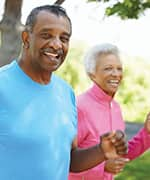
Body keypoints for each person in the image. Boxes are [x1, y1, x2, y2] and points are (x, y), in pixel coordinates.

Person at [0, 5, 128, 180]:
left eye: (64, 38)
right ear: (26, 37)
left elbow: (69, 160)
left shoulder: (66, 92)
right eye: (46, 35)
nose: (56, 44)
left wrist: (101, 151)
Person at [69, 43, 150, 180]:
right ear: (92, 74)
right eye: (108, 68)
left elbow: (121, 154)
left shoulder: (116, 108)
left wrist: (147, 133)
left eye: (119, 69)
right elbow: (66, 161)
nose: (116, 74)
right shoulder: (80, 107)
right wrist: (103, 167)